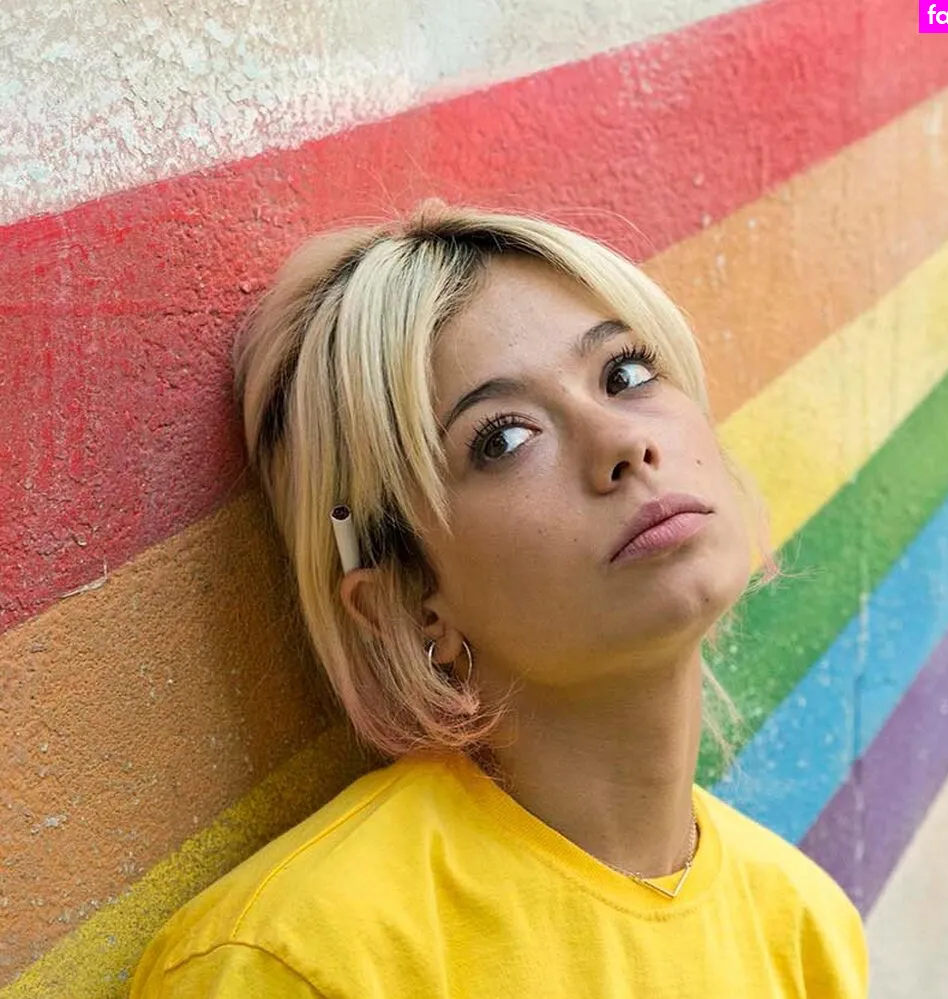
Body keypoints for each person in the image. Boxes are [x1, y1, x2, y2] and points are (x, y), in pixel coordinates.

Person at [130, 201, 869, 997]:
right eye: (503, 438)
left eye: (624, 374)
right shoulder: (301, 960)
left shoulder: (805, 926)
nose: (624, 444)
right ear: (408, 602)